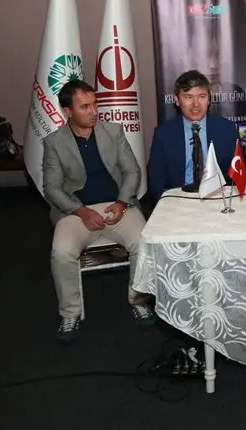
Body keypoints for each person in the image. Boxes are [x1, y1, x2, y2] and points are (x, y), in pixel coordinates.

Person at [42, 80, 153, 343]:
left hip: (118, 206)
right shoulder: (54, 142)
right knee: (61, 252)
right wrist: (80, 211)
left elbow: (132, 171)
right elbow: (52, 188)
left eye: (94, 104)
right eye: (84, 107)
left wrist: (122, 202)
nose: (93, 111)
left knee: (144, 242)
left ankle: (139, 300)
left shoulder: (113, 131)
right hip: (76, 212)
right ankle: (70, 313)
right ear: (68, 111)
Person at [148, 70, 239, 202]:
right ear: (177, 100)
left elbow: (237, 176)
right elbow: (156, 181)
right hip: (178, 200)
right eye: (188, 97)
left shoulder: (227, 130)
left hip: (218, 199)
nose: (196, 104)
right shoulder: (163, 134)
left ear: (209, 99)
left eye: (201, 96)